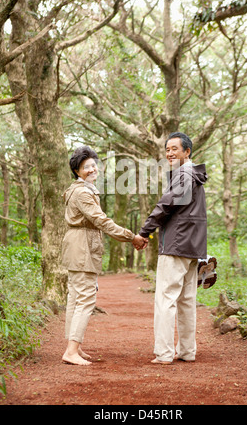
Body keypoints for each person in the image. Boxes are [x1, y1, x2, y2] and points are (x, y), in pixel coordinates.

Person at [61, 145, 147, 365]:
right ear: (77, 171)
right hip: (82, 248)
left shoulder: (80, 189)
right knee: (86, 298)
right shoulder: (82, 192)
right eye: (85, 167)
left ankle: (74, 347)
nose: (91, 169)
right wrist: (131, 236)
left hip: (77, 246)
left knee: (76, 297)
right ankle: (71, 351)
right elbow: (101, 221)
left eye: (93, 165)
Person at [138, 132, 207, 364]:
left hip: (176, 245)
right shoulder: (194, 175)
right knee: (186, 301)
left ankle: (164, 353)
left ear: (187, 152)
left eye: (174, 149)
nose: (169, 153)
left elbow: (167, 205)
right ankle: (187, 352)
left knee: (166, 300)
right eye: (167, 149)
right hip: (192, 247)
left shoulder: (185, 175)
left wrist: (145, 230)